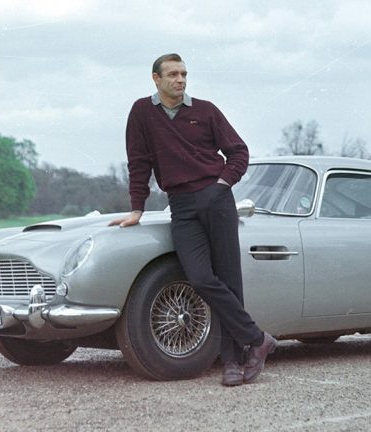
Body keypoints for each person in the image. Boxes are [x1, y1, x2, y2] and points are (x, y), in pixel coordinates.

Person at [109, 53, 276, 386]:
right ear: (156, 78)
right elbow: (139, 162)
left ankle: (232, 361)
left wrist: (222, 185)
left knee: (229, 280)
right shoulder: (142, 112)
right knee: (200, 278)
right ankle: (258, 340)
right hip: (181, 205)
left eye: (184, 74)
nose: (180, 80)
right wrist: (137, 208)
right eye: (173, 74)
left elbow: (239, 152)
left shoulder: (206, 110)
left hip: (217, 199)